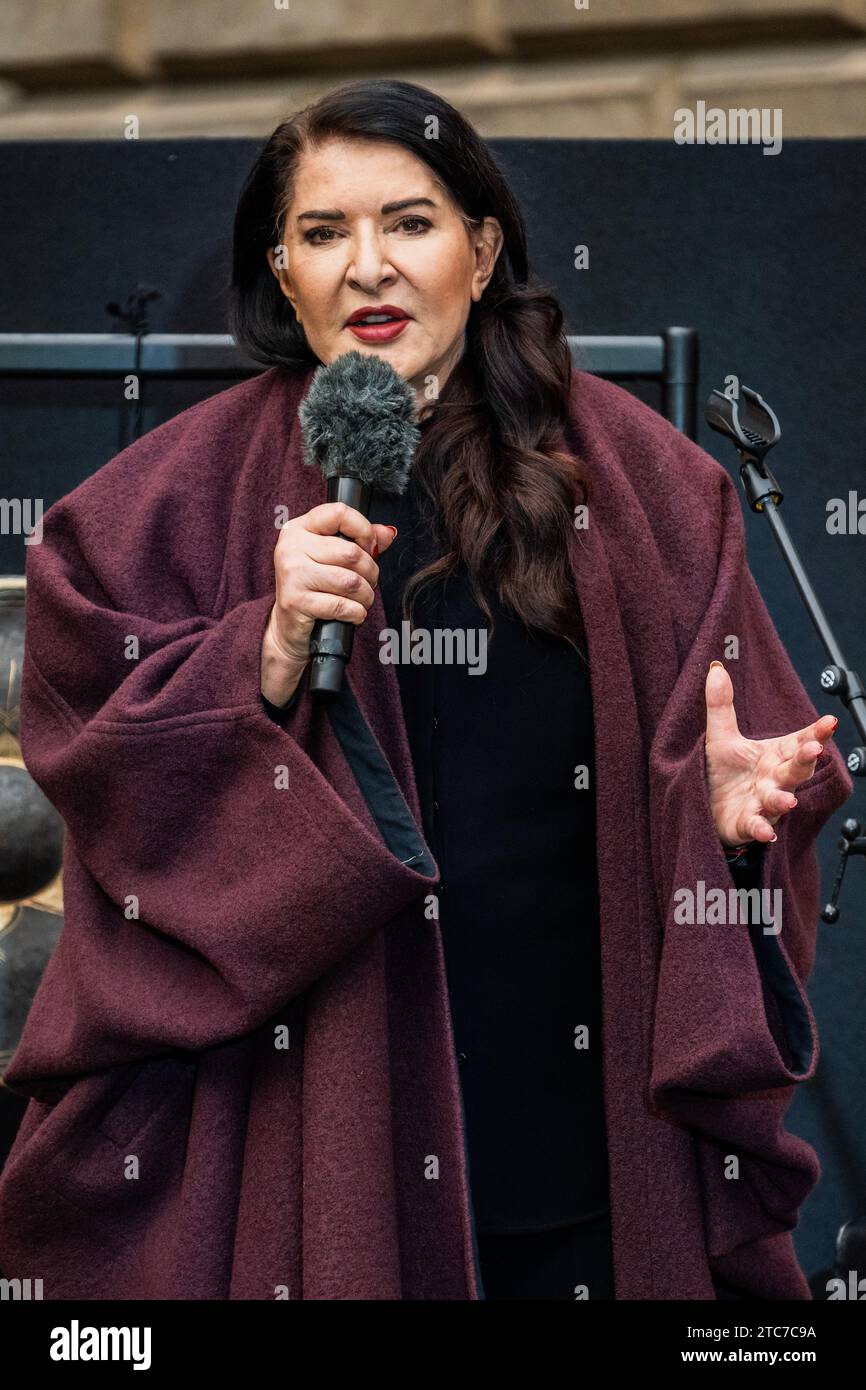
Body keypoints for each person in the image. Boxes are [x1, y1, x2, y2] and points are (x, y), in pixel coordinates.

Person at [0, 79, 851, 1301]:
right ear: (280, 272)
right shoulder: (165, 505)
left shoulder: (652, 488)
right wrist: (263, 651)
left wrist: (714, 823)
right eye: (321, 233)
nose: (367, 268)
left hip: (574, 1138)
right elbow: (92, 758)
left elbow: (748, 755)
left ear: (482, 247)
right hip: (309, 1125)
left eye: (409, 222)